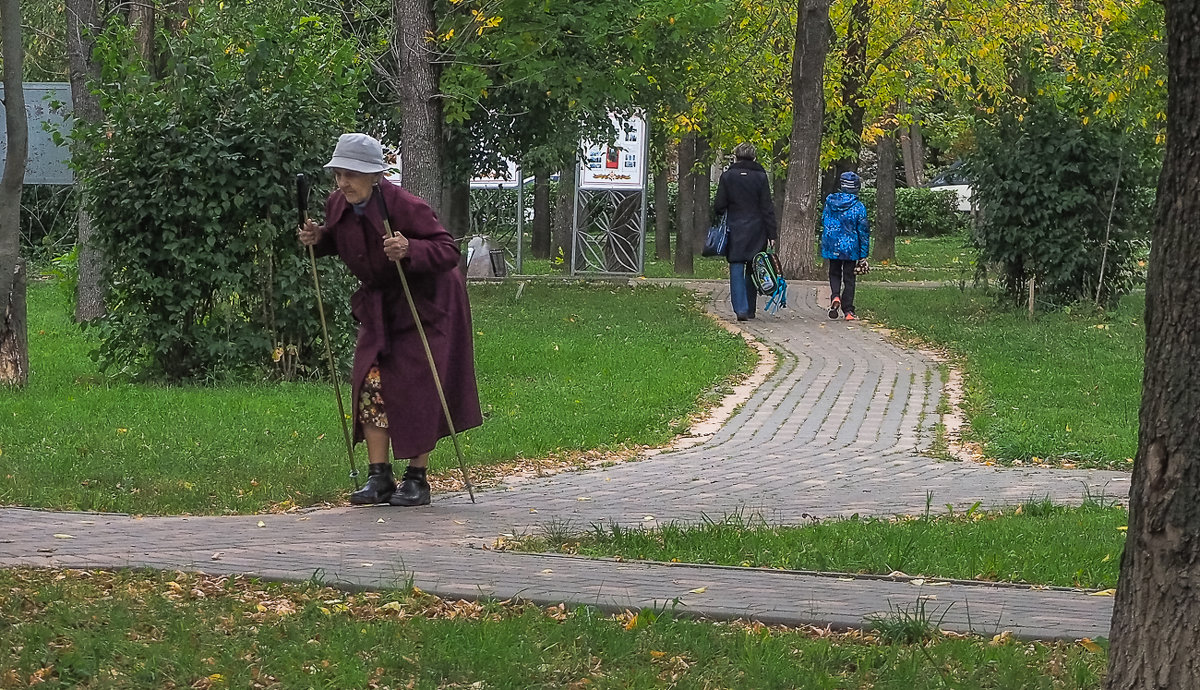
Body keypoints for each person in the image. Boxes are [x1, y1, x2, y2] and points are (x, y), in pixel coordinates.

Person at [298, 133, 482, 507]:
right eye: (339, 173)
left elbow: (447, 249)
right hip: (382, 304)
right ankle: (378, 477)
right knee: (369, 381)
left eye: (352, 174)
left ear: (375, 175)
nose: (343, 182)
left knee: (420, 385)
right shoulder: (339, 204)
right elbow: (346, 238)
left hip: (428, 304)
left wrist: (410, 247)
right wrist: (320, 238)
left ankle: (417, 479)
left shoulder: (405, 206)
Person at [713, 142, 777, 321]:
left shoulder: (728, 176)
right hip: (757, 228)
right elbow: (767, 207)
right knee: (754, 266)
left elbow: (719, 205)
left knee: (736, 266)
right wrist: (772, 234)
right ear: (754, 157)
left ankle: (740, 309)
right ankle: (750, 309)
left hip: (735, 228)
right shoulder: (761, 176)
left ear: (736, 156)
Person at [821, 171, 870, 321]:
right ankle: (848, 310)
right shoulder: (858, 207)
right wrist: (863, 254)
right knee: (849, 278)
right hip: (850, 248)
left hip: (832, 245)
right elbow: (863, 232)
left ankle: (835, 296)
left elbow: (823, 220)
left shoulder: (830, 202)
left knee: (834, 272)